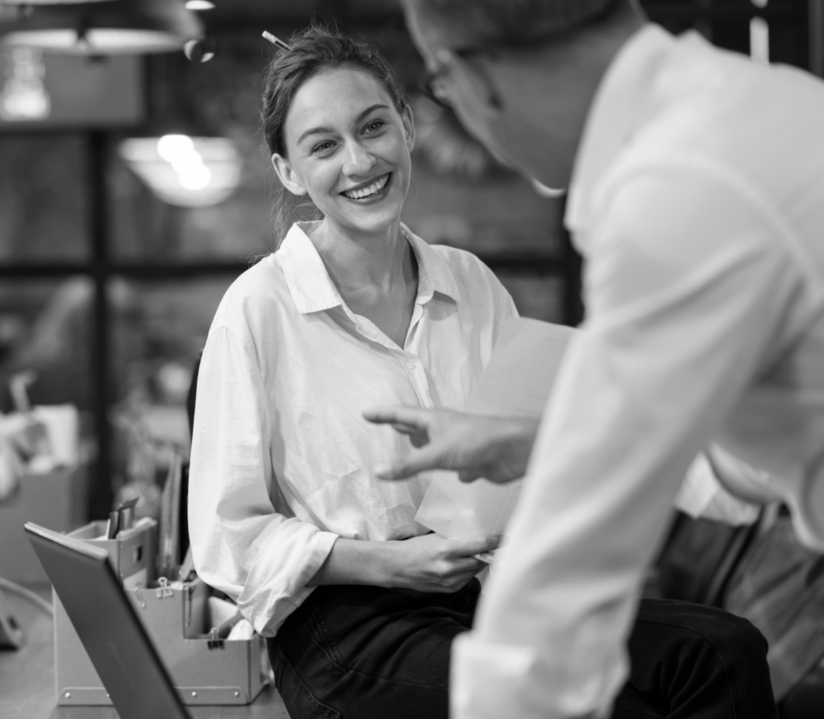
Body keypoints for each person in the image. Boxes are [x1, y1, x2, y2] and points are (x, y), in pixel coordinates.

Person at [188, 24, 776, 719]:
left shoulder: (467, 281)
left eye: (374, 127)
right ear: (289, 171)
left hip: (483, 597)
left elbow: (531, 448)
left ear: (406, 127)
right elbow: (231, 542)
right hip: (347, 631)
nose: (359, 160)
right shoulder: (258, 309)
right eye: (324, 145)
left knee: (723, 649)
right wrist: (384, 562)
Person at [362, 0, 824, 717]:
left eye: (441, 89)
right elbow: (744, 459)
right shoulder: (763, 105)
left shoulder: (675, 188)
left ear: (476, 78)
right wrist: (542, 441)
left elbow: (571, 568)